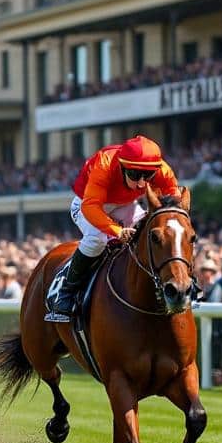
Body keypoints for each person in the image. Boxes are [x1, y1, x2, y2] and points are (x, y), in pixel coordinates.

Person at [46, 134, 180, 321]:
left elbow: (174, 202)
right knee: (97, 238)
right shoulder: (105, 163)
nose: (142, 183)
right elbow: (91, 206)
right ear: (122, 166)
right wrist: (117, 231)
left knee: (155, 234)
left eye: (148, 176)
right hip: (89, 204)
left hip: (125, 205)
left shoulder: (162, 169)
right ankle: (66, 291)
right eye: (134, 175)